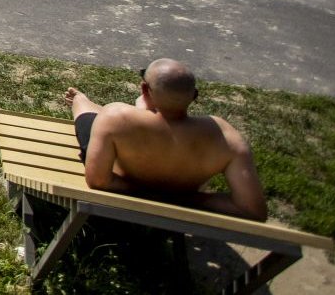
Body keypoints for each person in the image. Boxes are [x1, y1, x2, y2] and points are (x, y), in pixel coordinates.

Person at [65, 60, 265, 220]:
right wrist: (185, 197)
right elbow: (252, 209)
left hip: (123, 178)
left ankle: (82, 100)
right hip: (182, 193)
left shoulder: (115, 116)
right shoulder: (226, 137)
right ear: (194, 96)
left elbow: (97, 180)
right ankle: (140, 111)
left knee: (88, 114)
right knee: (116, 118)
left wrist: (148, 191)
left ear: (144, 89)